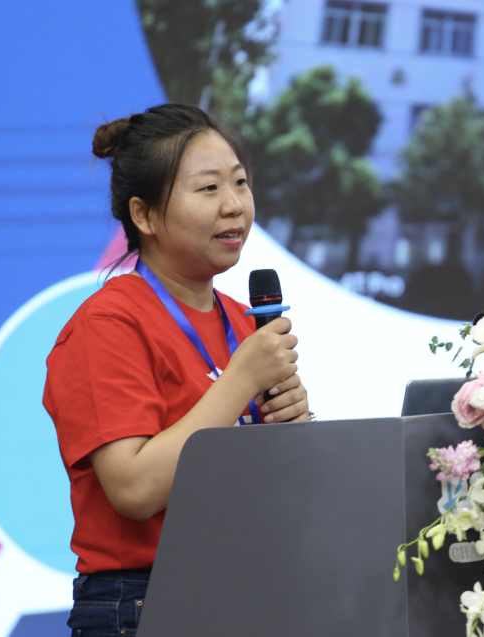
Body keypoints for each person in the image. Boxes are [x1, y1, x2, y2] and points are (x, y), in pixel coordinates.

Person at [43, 103, 311, 637]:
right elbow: (134, 488)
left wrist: (298, 430)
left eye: (240, 183)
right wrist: (240, 382)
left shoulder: (244, 321)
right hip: (145, 601)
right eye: (208, 188)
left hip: (253, 590)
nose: (234, 205)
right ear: (143, 215)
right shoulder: (108, 323)